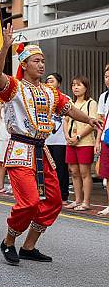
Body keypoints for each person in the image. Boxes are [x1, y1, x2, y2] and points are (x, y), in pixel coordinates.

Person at [0, 25, 101, 265]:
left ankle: (29, 246)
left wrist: (89, 119)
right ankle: (8, 242)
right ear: (24, 65)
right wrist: (4, 48)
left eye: (43, 61)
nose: (41, 65)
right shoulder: (13, 88)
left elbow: (69, 108)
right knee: (29, 202)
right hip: (20, 150)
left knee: (53, 201)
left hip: (42, 151)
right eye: (36, 61)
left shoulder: (51, 92)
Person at [64, 76, 97, 211]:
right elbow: (65, 121)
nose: (75, 88)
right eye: (73, 85)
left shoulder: (91, 103)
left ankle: (86, 202)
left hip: (85, 142)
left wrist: (78, 136)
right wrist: (67, 136)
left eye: (79, 85)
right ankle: (77, 200)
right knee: (74, 173)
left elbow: (92, 123)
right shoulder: (70, 103)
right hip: (71, 142)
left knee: (85, 173)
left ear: (86, 87)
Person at [45, 74, 69, 202]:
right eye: (47, 80)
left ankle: (63, 195)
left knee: (60, 168)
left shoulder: (65, 98)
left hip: (60, 141)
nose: (49, 82)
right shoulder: (42, 99)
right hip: (45, 140)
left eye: (52, 80)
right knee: (48, 169)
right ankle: (49, 194)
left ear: (59, 84)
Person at [95, 65, 109, 216]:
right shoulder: (104, 96)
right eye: (106, 77)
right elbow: (101, 120)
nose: (107, 79)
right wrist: (97, 141)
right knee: (107, 174)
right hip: (107, 138)